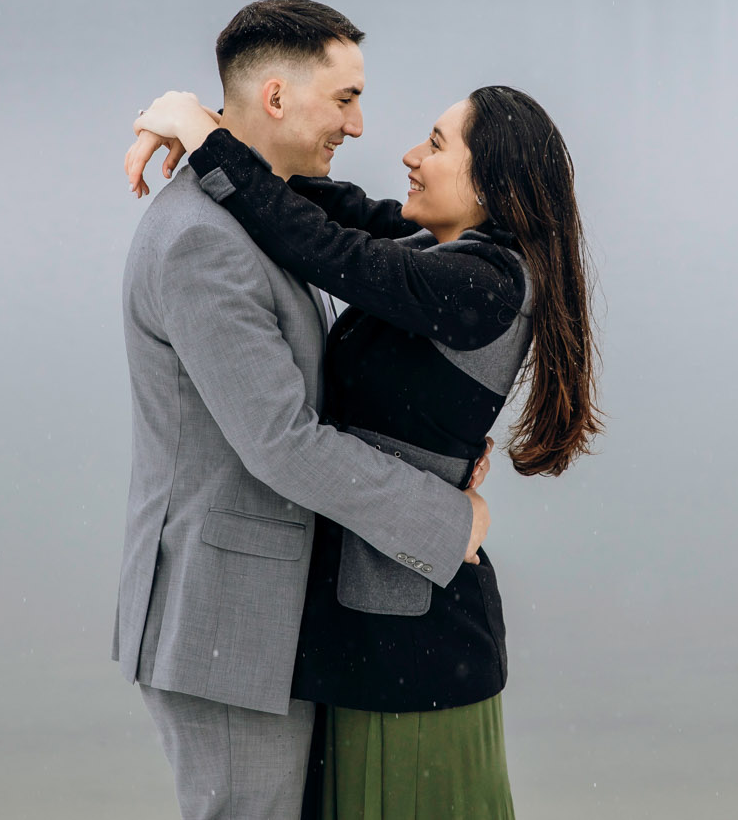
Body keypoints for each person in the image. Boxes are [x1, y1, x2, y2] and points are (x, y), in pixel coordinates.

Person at [127, 78, 601, 819]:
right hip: (374, 649)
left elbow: (329, 250)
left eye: (438, 145)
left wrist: (208, 138)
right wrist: (213, 127)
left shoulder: (483, 283)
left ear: (492, 182)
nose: (410, 155)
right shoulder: (445, 247)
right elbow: (324, 205)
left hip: (414, 655)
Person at [115, 0, 494, 820]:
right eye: (345, 98)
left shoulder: (262, 210)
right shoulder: (202, 240)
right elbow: (282, 442)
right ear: (278, 98)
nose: (358, 126)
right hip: (223, 622)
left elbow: (376, 258)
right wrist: (445, 516)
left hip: (270, 623)